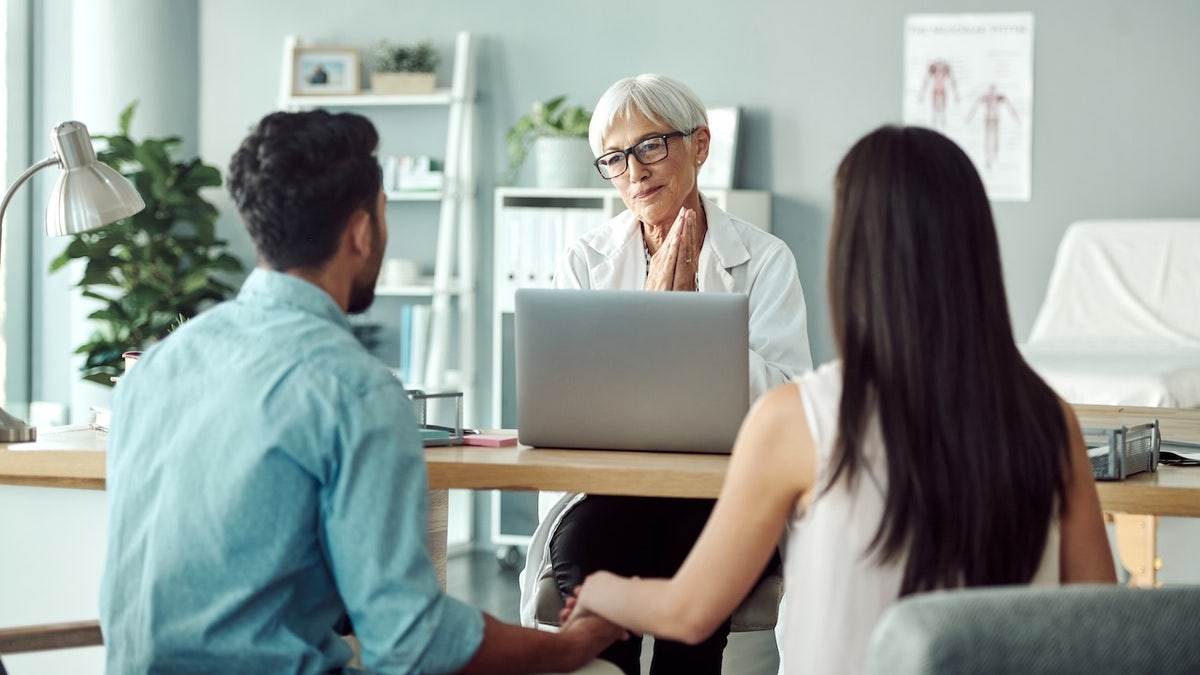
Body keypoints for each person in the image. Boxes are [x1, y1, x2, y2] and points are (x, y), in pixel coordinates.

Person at [565, 125, 1117, 674]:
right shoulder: (1049, 422)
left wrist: (601, 591)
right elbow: (1099, 631)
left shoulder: (798, 419)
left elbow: (687, 612)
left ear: (852, 254)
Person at [99, 109, 625, 674]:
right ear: (360, 231)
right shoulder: (354, 390)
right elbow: (412, 643)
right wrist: (570, 644)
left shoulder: (158, 366)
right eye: (384, 215)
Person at [519, 74, 813, 675]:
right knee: (593, 560)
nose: (635, 171)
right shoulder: (585, 259)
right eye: (614, 158)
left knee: (696, 574)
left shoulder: (766, 260)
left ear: (699, 146)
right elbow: (570, 402)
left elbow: (787, 402)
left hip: (724, 494)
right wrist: (651, 326)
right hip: (610, 492)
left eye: (651, 146)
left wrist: (687, 323)